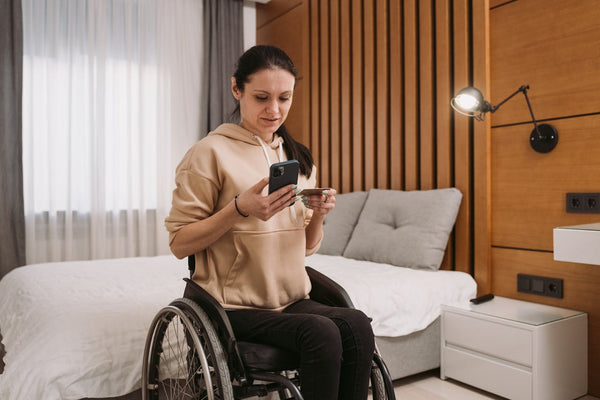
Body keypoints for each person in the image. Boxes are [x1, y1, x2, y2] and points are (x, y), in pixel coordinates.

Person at [165, 45, 375, 400]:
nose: (274, 110)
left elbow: (306, 247)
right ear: (237, 89)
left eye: (284, 97)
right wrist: (239, 208)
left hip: (291, 300)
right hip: (231, 305)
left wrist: (319, 215)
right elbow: (179, 244)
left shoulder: (297, 158)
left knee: (356, 324)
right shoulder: (209, 153)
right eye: (261, 97)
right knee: (321, 333)